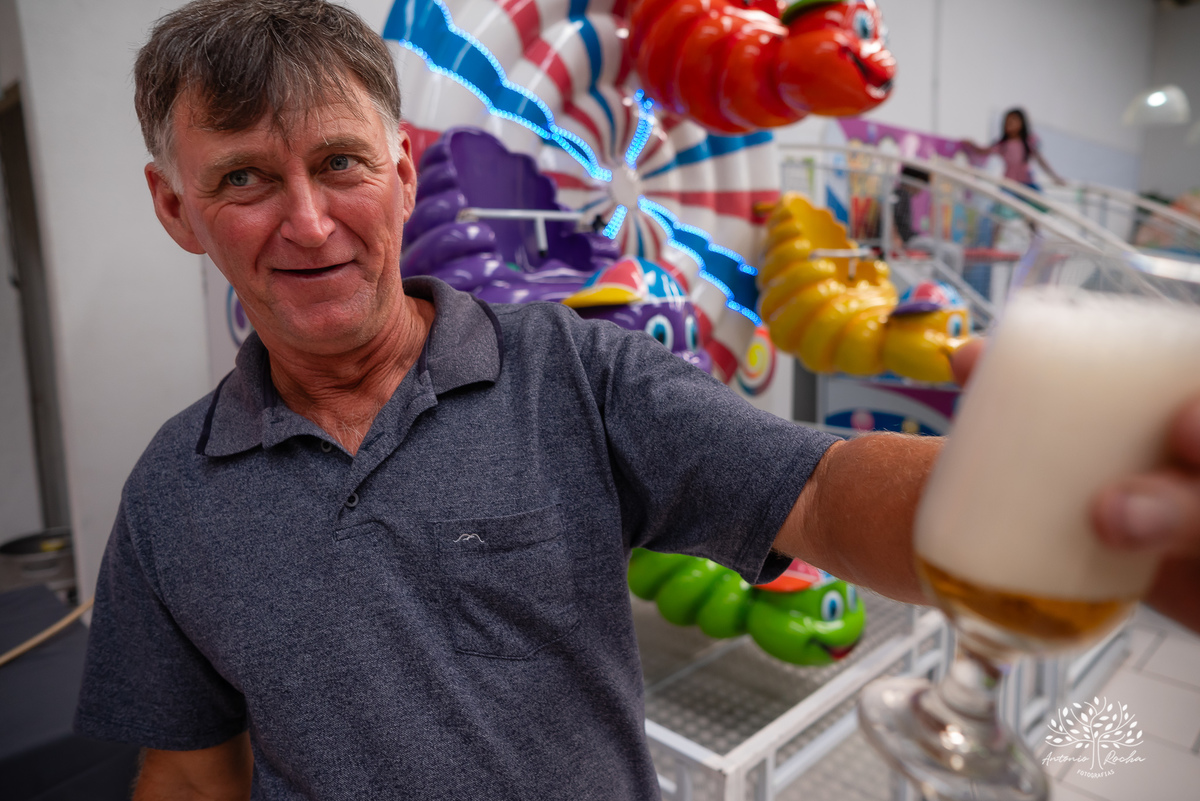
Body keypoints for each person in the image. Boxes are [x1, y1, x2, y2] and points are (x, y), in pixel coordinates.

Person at [75, 2, 1200, 799]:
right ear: (175, 208)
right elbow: (189, 770)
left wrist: (1068, 513)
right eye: (243, 179)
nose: (310, 222)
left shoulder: (574, 371)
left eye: (342, 164)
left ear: (406, 174)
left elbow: (820, 488)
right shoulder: (172, 495)